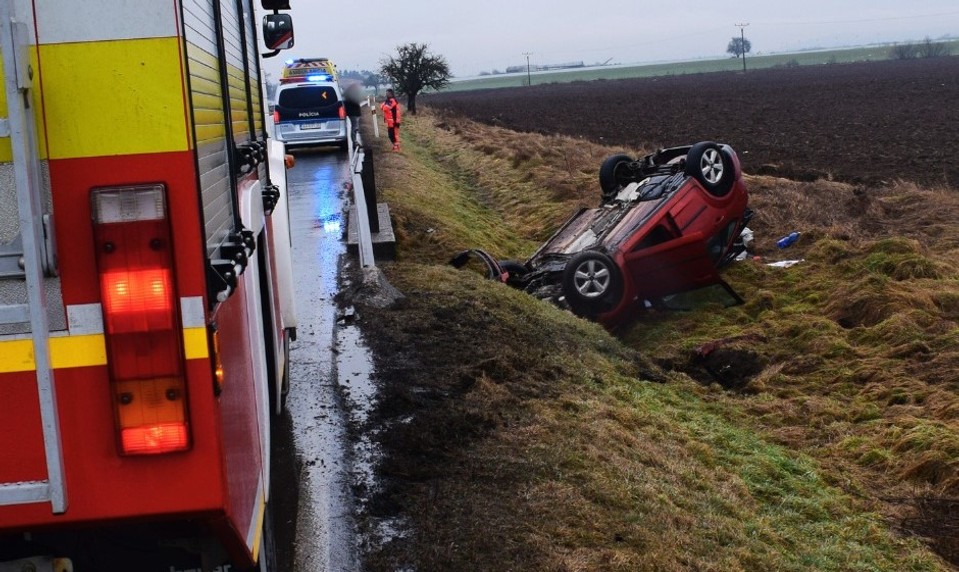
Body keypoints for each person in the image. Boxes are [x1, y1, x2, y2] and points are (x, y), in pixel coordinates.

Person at [343, 82, 363, 147]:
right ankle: (354, 142)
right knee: (354, 127)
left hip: (353, 113)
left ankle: (355, 141)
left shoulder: (347, 94)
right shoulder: (351, 95)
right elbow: (356, 101)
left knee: (354, 127)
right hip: (353, 113)